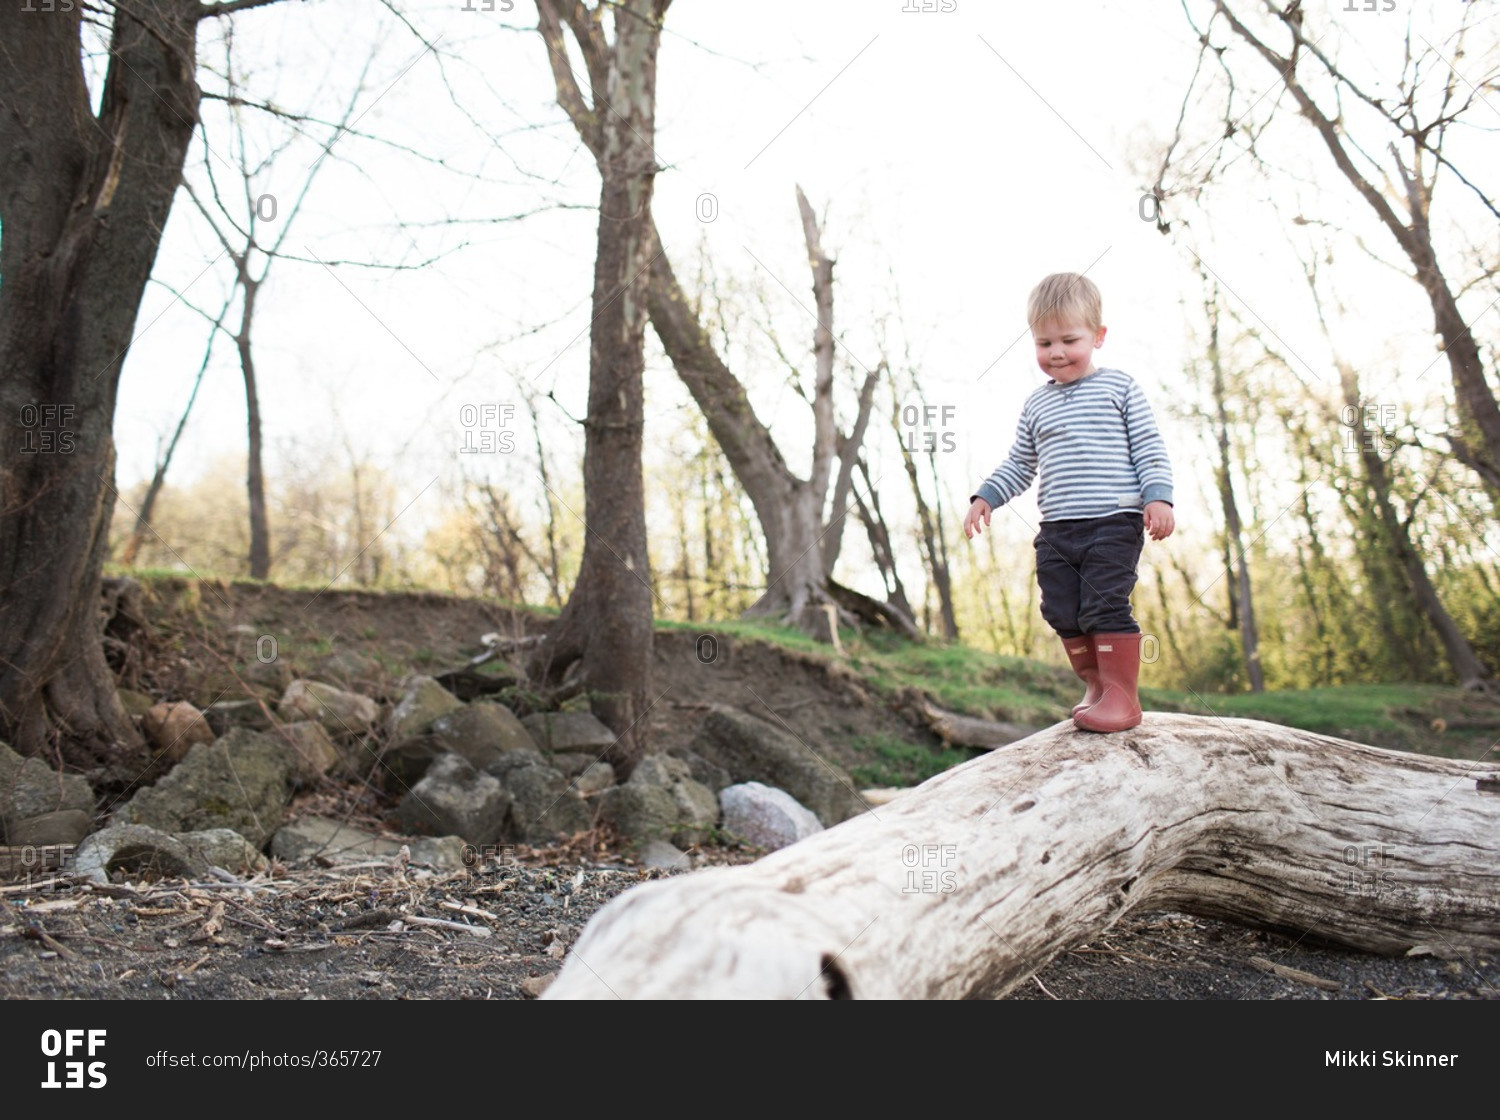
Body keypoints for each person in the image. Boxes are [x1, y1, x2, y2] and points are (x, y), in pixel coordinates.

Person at [962, 273, 1174, 732]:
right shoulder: (1037, 405)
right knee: (1061, 609)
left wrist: (1159, 498)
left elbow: (1150, 449)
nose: (1056, 352)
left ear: (1098, 337)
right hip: (1058, 528)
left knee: (1103, 605)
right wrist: (986, 496)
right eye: (1044, 342)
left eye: (1069, 340)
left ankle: (1123, 696)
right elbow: (1020, 463)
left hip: (1113, 521)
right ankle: (1096, 685)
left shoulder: (1120, 389)